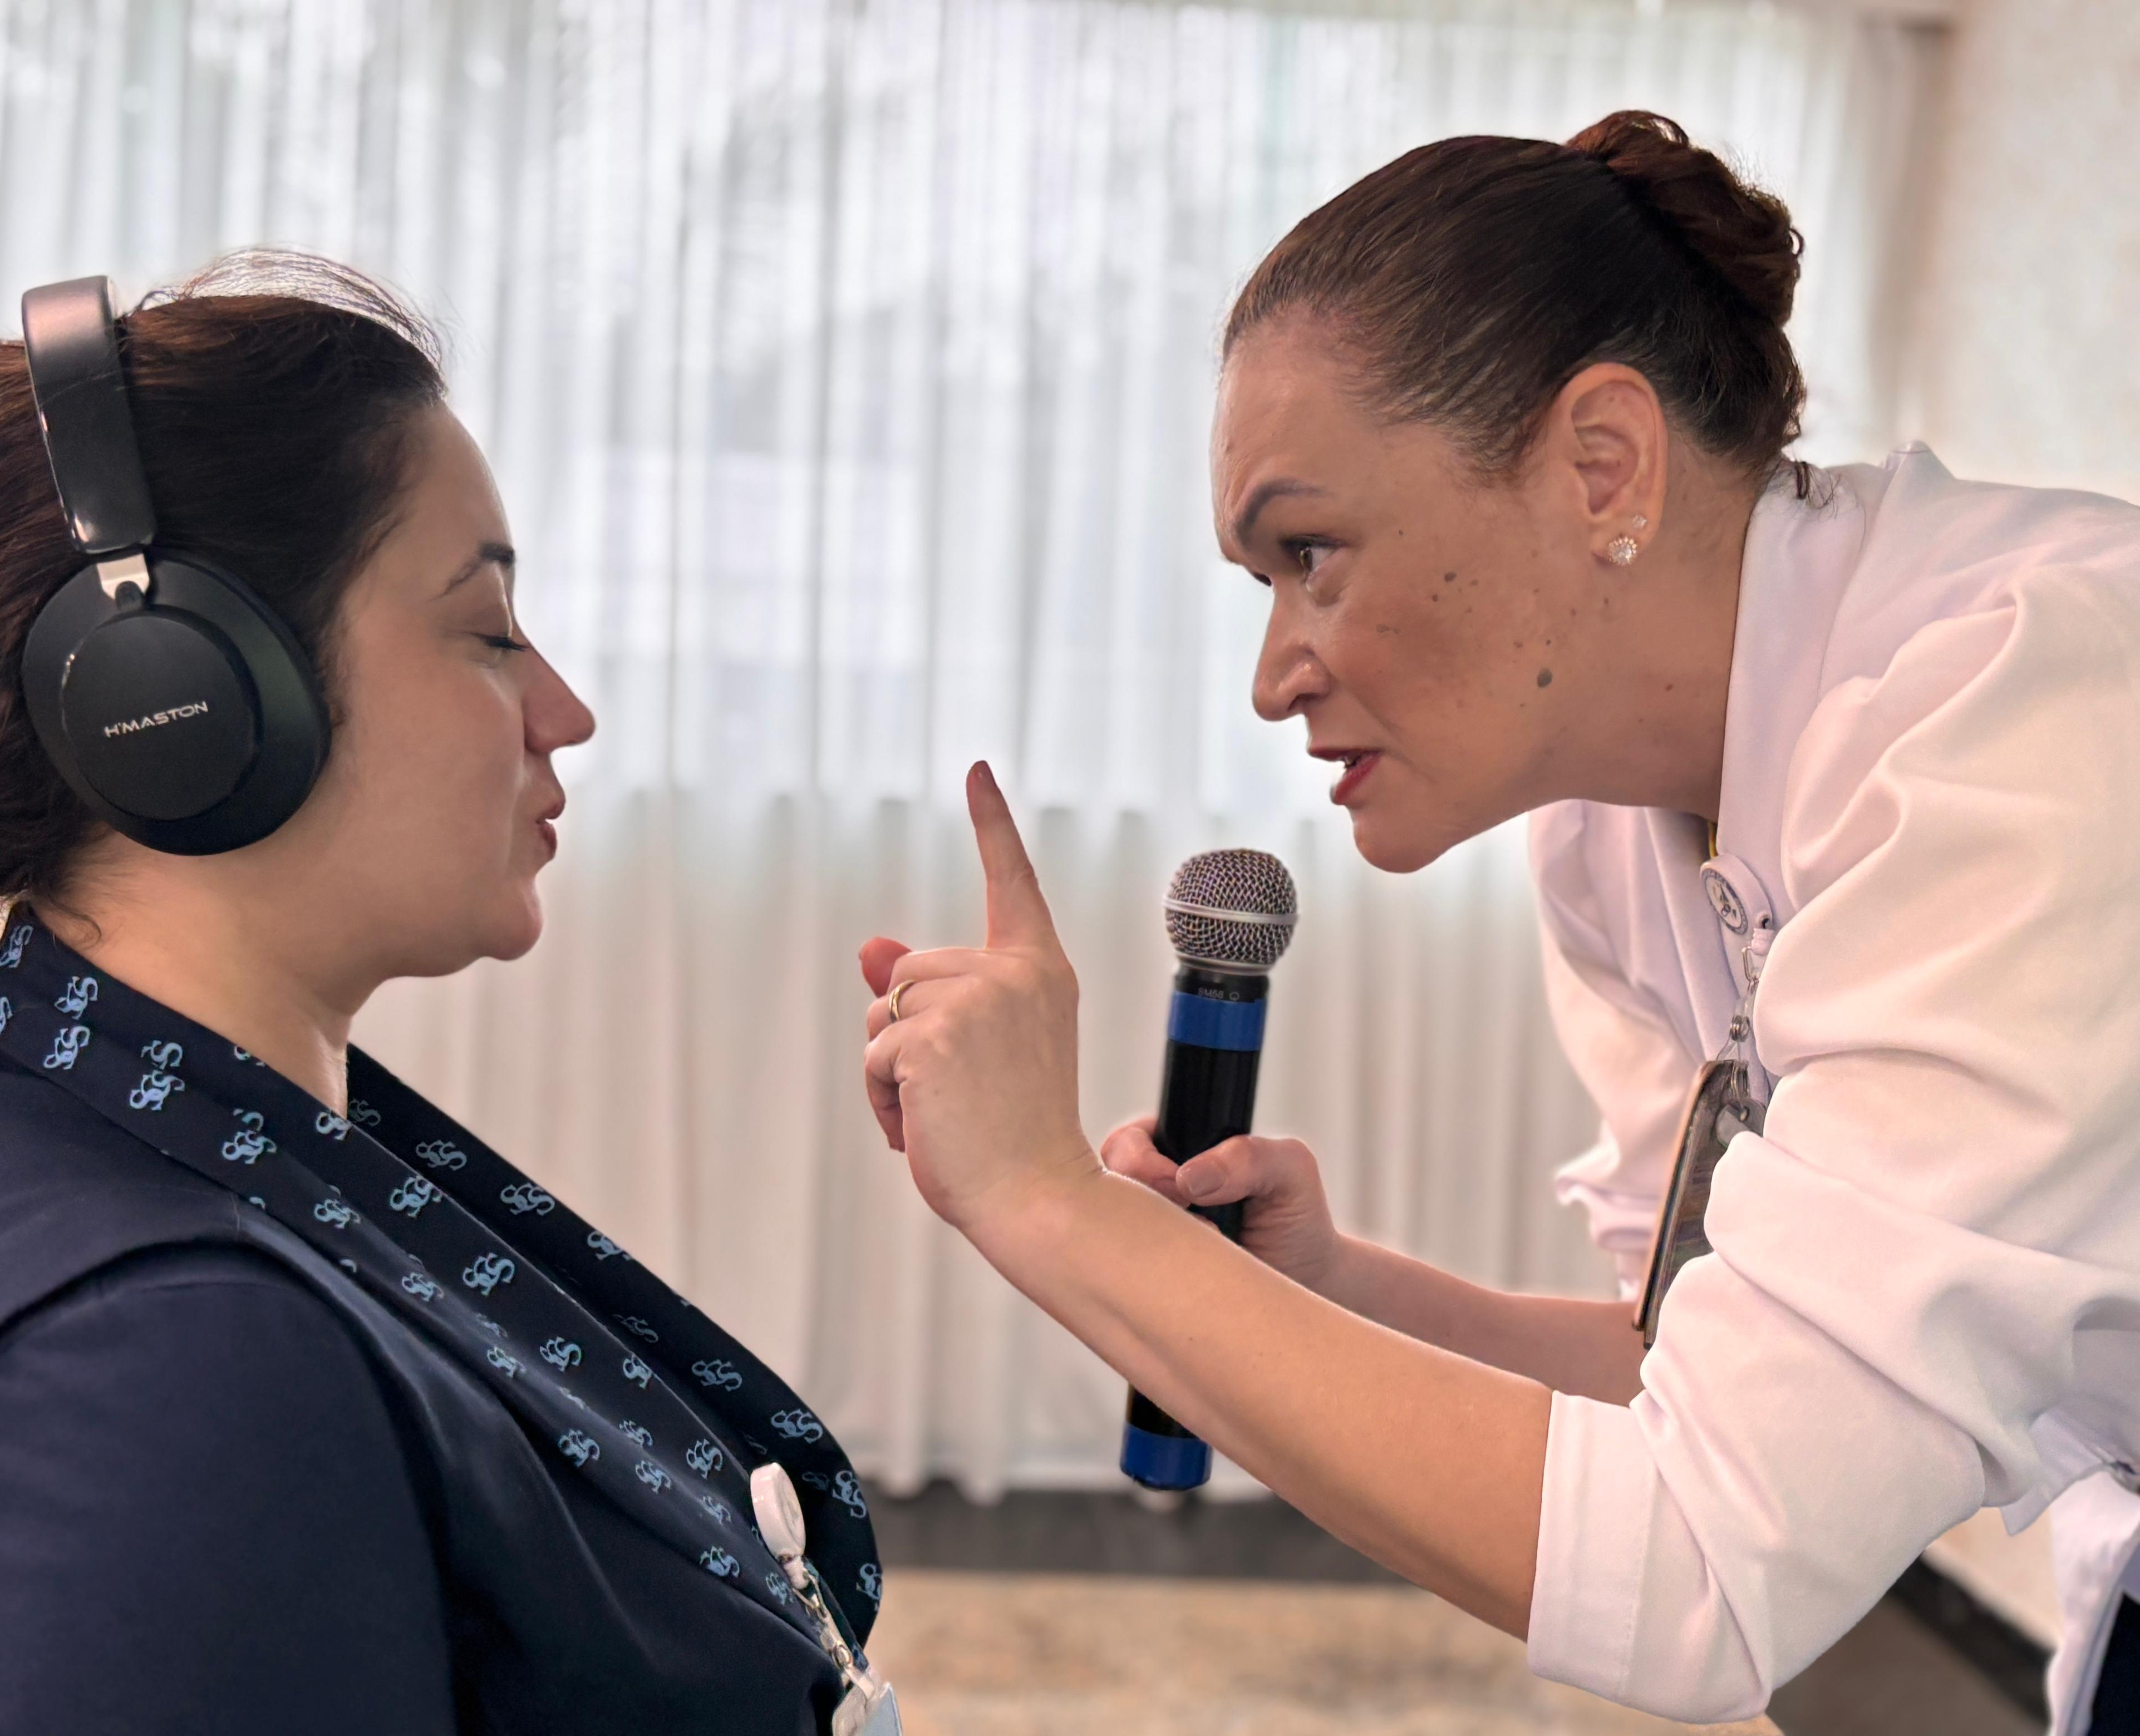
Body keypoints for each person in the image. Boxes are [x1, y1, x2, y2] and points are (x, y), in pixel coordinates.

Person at [856, 111, 2140, 1733]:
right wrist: (1326, 1288)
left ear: (1603, 464)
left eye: (1311, 553)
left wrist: (1047, 1204)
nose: (1272, 674)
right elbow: (1689, 1367)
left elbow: (1700, 1572)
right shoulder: (1609, 836)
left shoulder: (2029, 715)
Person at [0, 254, 880, 1734]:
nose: (566, 712)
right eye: (489, 630)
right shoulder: (172, 1373)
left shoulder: (87, 1147)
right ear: (174, 704)